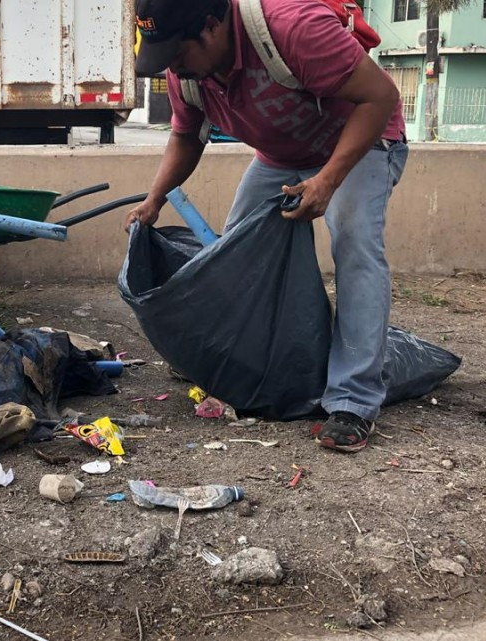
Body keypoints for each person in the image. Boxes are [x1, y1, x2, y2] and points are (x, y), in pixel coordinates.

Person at [127, 0, 408, 453]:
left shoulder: (293, 29)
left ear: (213, 26)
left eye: (178, 56)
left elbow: (381, 97)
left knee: (355, 240)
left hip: (364, 140)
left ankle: (353, 401)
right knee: (236, 253)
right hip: (283, 158)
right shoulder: (188, 73)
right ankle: (242, 366)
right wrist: (154, 199)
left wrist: (328, 180)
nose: (174, 70)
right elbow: (185, 134)